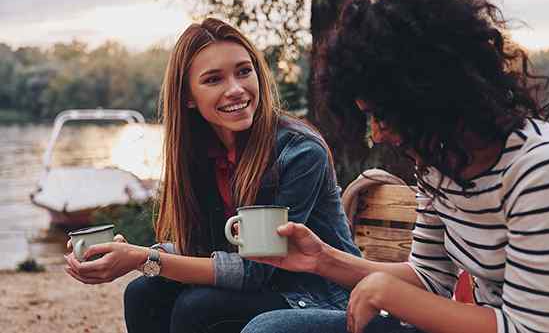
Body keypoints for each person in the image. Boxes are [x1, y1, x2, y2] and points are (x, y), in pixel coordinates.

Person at [240, 0, 549, 333]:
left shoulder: (545, 169)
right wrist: (323, 260)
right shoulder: (440, 161)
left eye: (384, 115)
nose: (377, 134)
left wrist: (389, 293)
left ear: (435, 97)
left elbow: (528, 328)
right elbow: (430, 278)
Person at [63, 17, 360, 333]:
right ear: (188, 97)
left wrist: (141, 259)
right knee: (143, 294)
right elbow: (203, 251)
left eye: (244, 71)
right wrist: (129, 253)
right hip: (266, 289)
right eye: (213, 79)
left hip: (319, 297)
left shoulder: (299, 151)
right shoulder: (202, 153)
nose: (235, 89)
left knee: (200, 308)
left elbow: (255, 271)